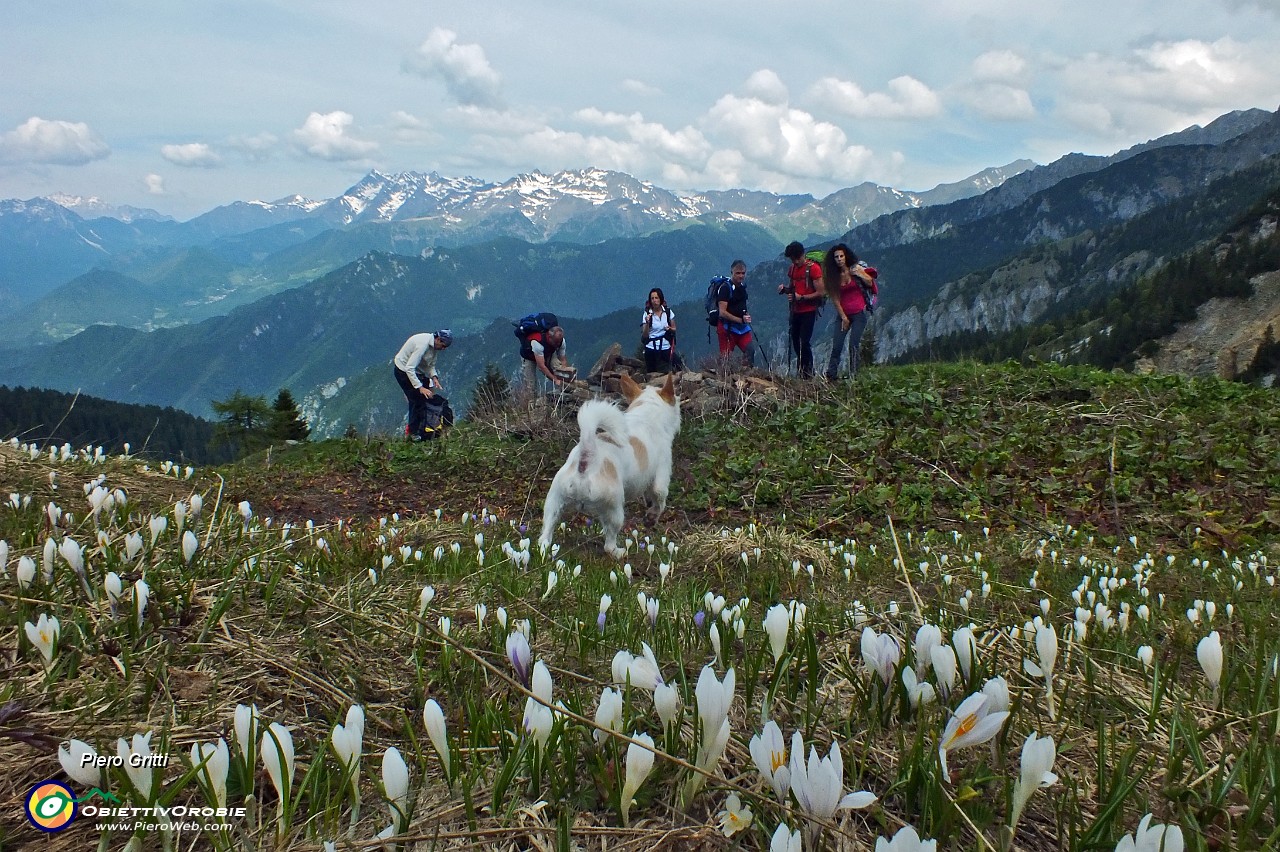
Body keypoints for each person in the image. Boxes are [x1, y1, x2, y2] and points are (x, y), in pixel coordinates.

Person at [824, 243, 878, 380]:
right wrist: (843, 317)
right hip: (844, 314)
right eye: (836, 257)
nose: (839, 259)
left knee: (853, 343)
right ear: (833, 259)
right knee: (837, 344)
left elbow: (870, 283)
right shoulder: (833, 277)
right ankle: (831, 374)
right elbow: (835, 299)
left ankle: (854, 374)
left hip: (859, 312)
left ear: (846, 256)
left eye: (841, 256)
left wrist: (860, 273)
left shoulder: (856, 268)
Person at [393, 329, 453, 440]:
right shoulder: (422, 345)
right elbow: (409, 368)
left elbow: (430, 365)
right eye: (443, 345)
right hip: (403, 371)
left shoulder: (433, 347)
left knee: (424, 399)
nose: (443, 349)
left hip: (417, 371)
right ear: (438, 339)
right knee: (416, 401)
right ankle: (413, 433)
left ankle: (422, 429)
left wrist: (434, 377)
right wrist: (420, 387)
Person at [778, 241, 825, 377]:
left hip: (808, 311)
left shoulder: (814, 269)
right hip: (795, 310)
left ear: (802, 254)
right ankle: (802, 371)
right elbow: (793, 289)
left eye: (796, 258)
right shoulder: (792, 269)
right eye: (793, 259)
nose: (795, 261)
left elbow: (821, 292)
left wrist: (802, 298)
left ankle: (808, 373)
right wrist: (785, 290)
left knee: (804, 342)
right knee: (795, 342)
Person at [716, 260, 756, 368]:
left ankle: (746, 377)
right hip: (727, 328)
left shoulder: (742, 287)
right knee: (726, 359)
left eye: (743, 273)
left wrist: (745, 316)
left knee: (750, 351)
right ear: (732, 272)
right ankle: (724, 381)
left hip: (742, 328)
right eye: (738, 273)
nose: (741, 276)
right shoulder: (725, 288)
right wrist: (740, 320)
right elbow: (722, 312)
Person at [519, 323, 575, 399]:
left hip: (547, 352)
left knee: (558, 366)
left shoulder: (561, 342)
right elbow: (541, 367)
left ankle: (565, 391)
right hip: (528, 356)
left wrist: (564, 373)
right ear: (549, 337)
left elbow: (562, 359)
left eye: (559, 342)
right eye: (555, 342)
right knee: (531, 383)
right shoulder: (537, 342)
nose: (557, 344)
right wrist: (555, 380)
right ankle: (531, 403)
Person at [641, 288, 678, 373]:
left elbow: (674, 328)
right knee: (651, 373)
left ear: (661, 299)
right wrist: (647, 323)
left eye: (656, 298)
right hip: (651, 347)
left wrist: (670, 329)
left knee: (677, 366)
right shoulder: (647, 314)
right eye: (652, 298)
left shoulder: (668, 312)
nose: (654, 300)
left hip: (665, 346)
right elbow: (645, 335)